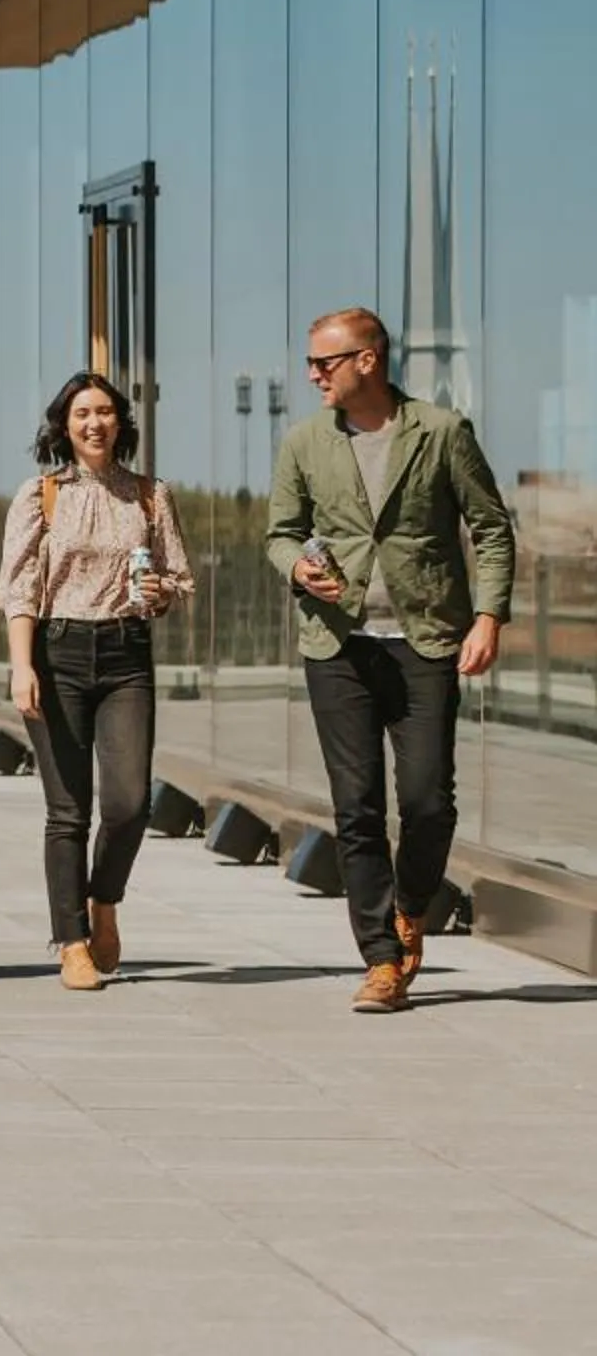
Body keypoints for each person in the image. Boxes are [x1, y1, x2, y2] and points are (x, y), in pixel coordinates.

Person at [266, 307, 515, 1014]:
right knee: (356, 808)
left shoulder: (440, 433)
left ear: (367, 360)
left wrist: (488, 616)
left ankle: (411, 905)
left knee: (430, 799)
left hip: (427, 638)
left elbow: (492, 529)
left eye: (325, 362)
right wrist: (296, 571)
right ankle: (381, 957)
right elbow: (279, 535)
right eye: (310, 362)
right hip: (336, 644)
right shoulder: (304, 442)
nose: (313, 374)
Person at [0, 372, 193, 990]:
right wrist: (22, 664)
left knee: (130, 803)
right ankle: (72, 942)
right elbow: (19, 587)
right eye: (82, 413)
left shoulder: (149, 495)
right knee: (68, 811)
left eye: (105, 412)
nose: (94, 423)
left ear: (120, 422)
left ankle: (103, 898)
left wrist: (161, 592)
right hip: (57, 652)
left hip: (126, 654)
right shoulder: (41, 496)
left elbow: (179, 578)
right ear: (64, 425)